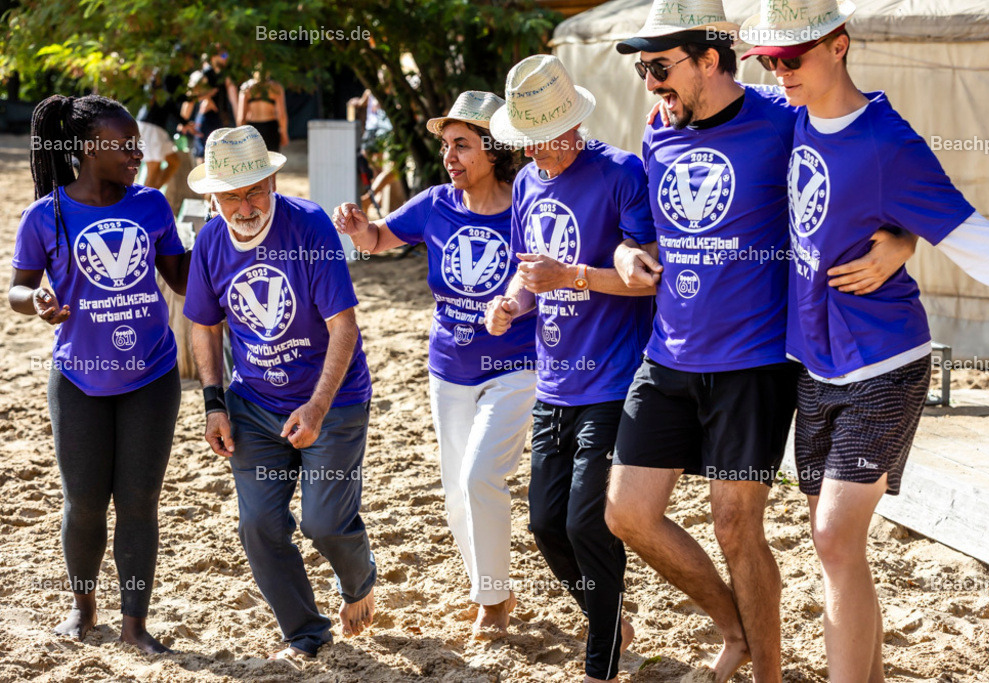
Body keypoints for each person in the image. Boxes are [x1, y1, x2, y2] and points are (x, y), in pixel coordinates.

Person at [604, 1, 919, 680]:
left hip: (752, 365)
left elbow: (877, 175)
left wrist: (902, 239)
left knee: (734, 527)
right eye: (641, 70)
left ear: (710, 59)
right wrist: (632, 255)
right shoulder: (658, 132)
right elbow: (644, 232)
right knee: (626, 512)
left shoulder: (786, 121)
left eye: (659, 67)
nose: (649, 82)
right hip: (666, 355)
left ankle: (767, 673)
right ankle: (733, 626)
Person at [743, 0, 989, 678]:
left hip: (884, 360)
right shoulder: (790, 117)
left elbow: (976, 239)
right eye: (770, 60)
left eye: (792, 57)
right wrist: (670, 106)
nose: (779, 73)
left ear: (839, 46)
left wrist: (910, 237)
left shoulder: (890, 145)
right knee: (834, 545)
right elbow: (719, 98)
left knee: (834, 532)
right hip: (814, 360)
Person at [333, 91, 537, 638]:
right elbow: (379, 238)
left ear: (493, 149)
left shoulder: (528, 203)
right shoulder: (435, 203)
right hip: (448, 366)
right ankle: (490, 586)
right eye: (446, 145)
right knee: (454, 489)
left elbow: (544, 268)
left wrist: (514, 303)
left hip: (516, 365)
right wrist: (359, 229)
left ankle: (493, 603)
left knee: (479, 477)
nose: (450, 156)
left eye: (462, 145)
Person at [485, 55, 657, 683]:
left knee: (589, 519)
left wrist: (573, 276)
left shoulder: (619, 173)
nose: (530, 152)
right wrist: (511, 301)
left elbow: (647, 279)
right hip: (554, 379)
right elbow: (528, 272)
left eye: (538, 138)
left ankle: (601, 662)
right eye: (523, 140)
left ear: (568, 125)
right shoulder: (529, 183)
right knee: (545, 523)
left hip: (613, 379)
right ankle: (609, 616)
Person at [183, 126, 377, 660]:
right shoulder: (209, 241)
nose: (244, 206)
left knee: (323, 522)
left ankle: (359, 580)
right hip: (253, 403)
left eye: (253, 191)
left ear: (272, 180)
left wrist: (316, 407)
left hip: (332, 396)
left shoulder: (308, 224)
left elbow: (344, 327)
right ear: (213, 196)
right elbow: (203, 324)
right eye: (231, 195)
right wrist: (214, 403)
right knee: (260, 525)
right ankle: (306, 635)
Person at [9, 94, 190, 654]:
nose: (137, 154)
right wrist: (35, 299)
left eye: (137, 144)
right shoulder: (46, 215)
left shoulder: (153, 206)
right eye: (124, 145)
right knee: (84, 502)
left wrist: (229, 244)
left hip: (152, 375)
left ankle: (135, 623)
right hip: (80, 378)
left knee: (139, 502)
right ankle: (83, 606)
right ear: (88, 150)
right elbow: (17, 287)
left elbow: (183, 280)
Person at [180, 51, 237, 158]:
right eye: (223, 55)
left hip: (221, 120)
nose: (226, 58)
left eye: (227, 55)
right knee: (204, 155)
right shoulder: (202, 75)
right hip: (206, 120)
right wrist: (183, 121)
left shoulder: (224, 76)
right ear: (213, 57)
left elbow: (234, 102)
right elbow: (189, 99)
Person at [136, 72, 182, 190]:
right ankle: (142, 205)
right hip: (150, 128)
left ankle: (153, 193)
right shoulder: (156, 88)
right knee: (153, 170)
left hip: (158, 130)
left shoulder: (166, 91)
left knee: (174, 162)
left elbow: (171, 106)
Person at [236, 70, 288, 152]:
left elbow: (241, 117)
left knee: (254, 161)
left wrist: (241, 137)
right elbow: (281, 115)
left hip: (252, 130)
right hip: (271, 129)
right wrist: (284, 134)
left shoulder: (246, 88)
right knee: (273, 161)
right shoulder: (276, 88)